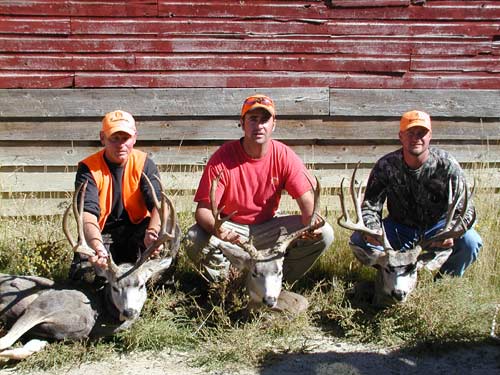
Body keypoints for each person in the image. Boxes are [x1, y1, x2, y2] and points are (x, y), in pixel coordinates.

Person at [185, 94, 334, 284]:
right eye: (253, 119)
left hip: (269, 227)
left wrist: (311, 222)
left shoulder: (284, 156)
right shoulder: (223, 158)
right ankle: (229, 284)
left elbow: (308, 205)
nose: (259, 125)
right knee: (193, 237)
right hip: (232, 228)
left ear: (274, 124)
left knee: (325, 233)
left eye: (265, 120)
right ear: (242, 123)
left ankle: (275, 282)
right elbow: (203, 211)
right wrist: (219, 229)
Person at [350, 110, 482, 276]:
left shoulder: (447, 165)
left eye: (421, 133)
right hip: (400, 230)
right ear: (401, 136)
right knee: (359, 240)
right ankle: (393, 275)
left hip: (437, 230)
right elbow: (370, 207)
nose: (416, 138)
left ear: (430, 136)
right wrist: (372, 230)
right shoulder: (386, 165)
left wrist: (453, 232)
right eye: (410, 133)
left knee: (470, 241)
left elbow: (466, 209)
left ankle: (444, 283)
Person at [69, 109, 179, 284]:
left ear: (134, 138)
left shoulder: (144, 164)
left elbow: (159, 205)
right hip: (103, 235)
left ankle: (162, 284)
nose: (121, 144)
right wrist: (96, 245)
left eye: (125, 138)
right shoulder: (89, 169)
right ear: (102, 138)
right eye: (114, 138)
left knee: (170, 228)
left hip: (137, 234)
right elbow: (87, 214)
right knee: (86, 279)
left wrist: (152, 233)